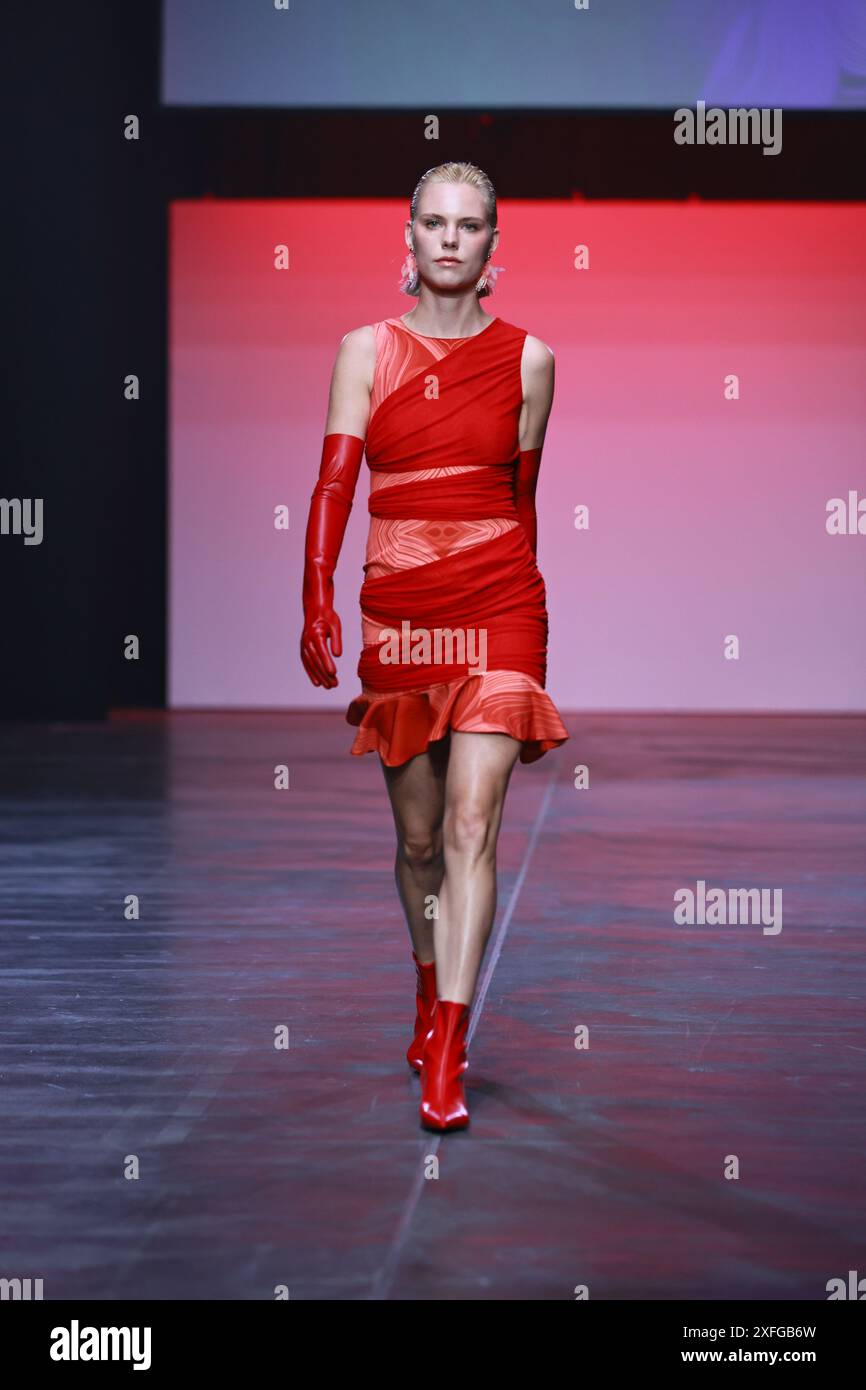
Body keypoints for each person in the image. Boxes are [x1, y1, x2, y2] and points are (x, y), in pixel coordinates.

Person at [300, 161, 568, 1131]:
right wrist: (313, 599)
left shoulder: (531, 360)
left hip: (498, 602)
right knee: (417, 843)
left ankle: (450, 1045)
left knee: (469, 825)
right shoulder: (362, 351)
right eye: (433, 223)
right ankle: (425, 990)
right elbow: (333, 483)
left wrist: (528, 629)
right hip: (399, 613)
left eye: (469, 225)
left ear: (494, 246)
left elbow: (519, 497)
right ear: (405, 238)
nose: (450, 239)